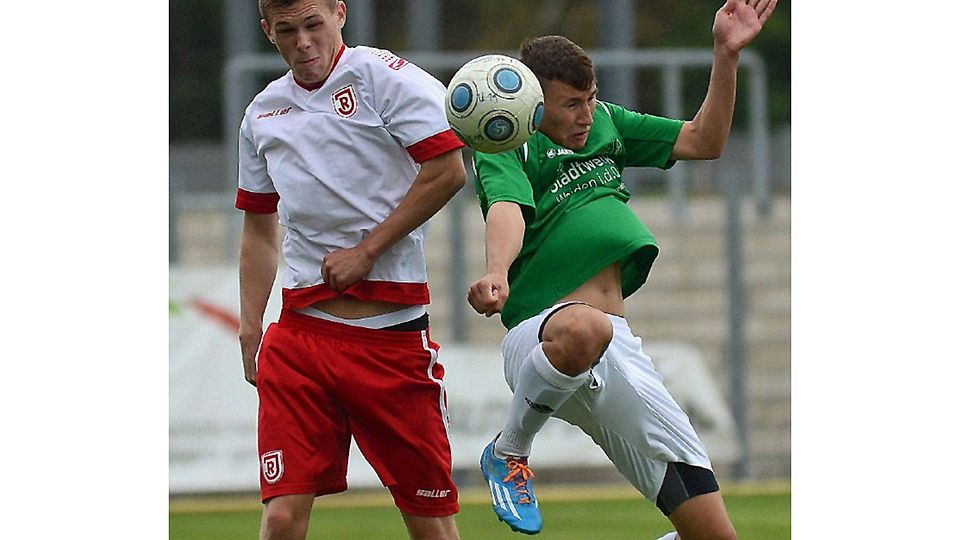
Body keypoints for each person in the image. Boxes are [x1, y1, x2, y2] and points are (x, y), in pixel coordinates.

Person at [467, 0, 777, 538]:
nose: (586, 114)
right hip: (544, 336)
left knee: (713, 534)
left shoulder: (607, 122)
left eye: (589, 98)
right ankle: (508, 450)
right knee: (588, 326)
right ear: (535, 105)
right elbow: (506, 208)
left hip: (618, 349)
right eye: (571, 104)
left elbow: (705, 140)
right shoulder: (510, 138)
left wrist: (725, 55)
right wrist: (497, 270)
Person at [235, 1, 467, 539]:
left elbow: (447, 170)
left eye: (314, 25)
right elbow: (258, 227)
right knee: (282, 516)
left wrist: (366, 252)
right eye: (287, 31)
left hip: (391, 339)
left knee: (431, 525)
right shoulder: (263, 112)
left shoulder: (385, 78)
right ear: (268, 31)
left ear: (341, 14)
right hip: (300, 337)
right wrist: (251, 325)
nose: (303, 43)